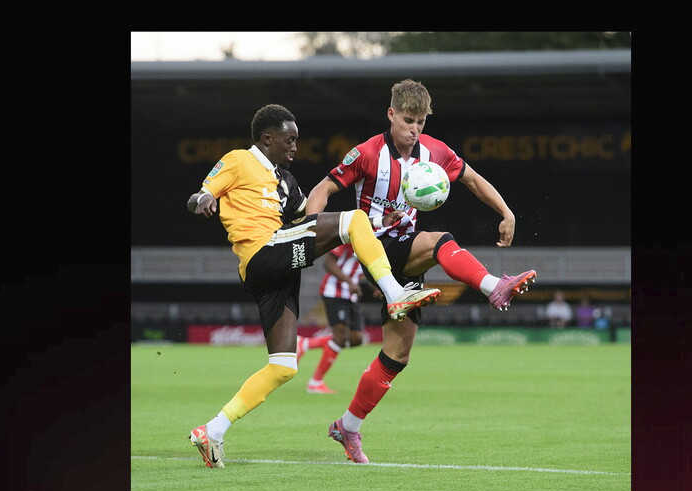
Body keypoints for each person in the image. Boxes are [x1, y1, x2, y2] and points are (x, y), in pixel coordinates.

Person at [184, 104, 441, 468]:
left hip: (275, 269)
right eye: (289, 140)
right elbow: (202, 193)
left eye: (297, 141)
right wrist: (204, 199)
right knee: (352, 220)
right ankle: (395, 293)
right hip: (263, 251)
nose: (295, 147)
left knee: (284, 365)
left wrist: (381, 219)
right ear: (267, 139)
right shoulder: (239, 160)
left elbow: (311, 220)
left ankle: (213, 431)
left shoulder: (286, 180)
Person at [304, 79, 537, 463]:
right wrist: (310, 233)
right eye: (408, 120)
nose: (415, 129)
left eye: (421, 122)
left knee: (397, 354)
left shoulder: (436, 152)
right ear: (391, 114)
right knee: (437, 239)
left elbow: (474, 180)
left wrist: (507, 212)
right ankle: (494, 285)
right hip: (375, 252)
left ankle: (347, 427)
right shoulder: (366, 153)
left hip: (404, 255)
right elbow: (322, 190)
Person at [296, 243, 374, 394]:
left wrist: (374, 286)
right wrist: (349, 282)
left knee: (356, 338)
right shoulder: (350, 238)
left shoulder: (374, 240)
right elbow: (328, 263)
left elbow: (366, 268)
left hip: (351, 294)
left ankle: (305, 343)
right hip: (334, 291)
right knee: (340, 336)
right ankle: (315, 382)